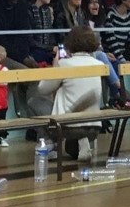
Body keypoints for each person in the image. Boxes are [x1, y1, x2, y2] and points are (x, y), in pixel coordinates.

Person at [37, 26, 107, 161]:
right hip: (94, 125)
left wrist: (55, 65)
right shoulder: (98, 63)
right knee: (71, 151)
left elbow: (43, 89)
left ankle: (50, 144)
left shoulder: (64, 64)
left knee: (34, 101)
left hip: (67, 126)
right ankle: (83, 141)